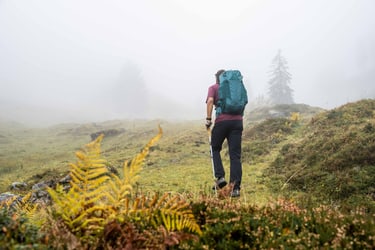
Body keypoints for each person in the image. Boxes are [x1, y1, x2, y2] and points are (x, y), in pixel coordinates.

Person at [205, 69, 244, 198]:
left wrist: (208, 119)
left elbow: (210, 101)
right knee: (235, 156)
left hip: (222, 122)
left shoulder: (213, 87)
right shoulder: (235, 89)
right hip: (238, 122)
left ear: (217, 78)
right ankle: (235, 189)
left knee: (214, 148)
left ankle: (220, 177)